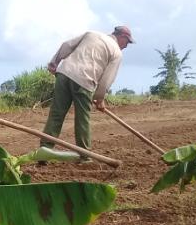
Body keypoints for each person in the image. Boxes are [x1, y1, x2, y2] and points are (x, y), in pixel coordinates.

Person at [40, 25, 134, 156]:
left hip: (64, 74)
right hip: (84, 81)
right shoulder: (117, 53)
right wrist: (99, 98)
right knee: (82, 119)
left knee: (56, 113)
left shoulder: (91, 34)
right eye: (127, 42)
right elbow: (107, 80)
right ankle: (85, 155)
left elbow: (66, 45)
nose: (126, 46)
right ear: (122, 37)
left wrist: (54, 62)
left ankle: (45, 149)